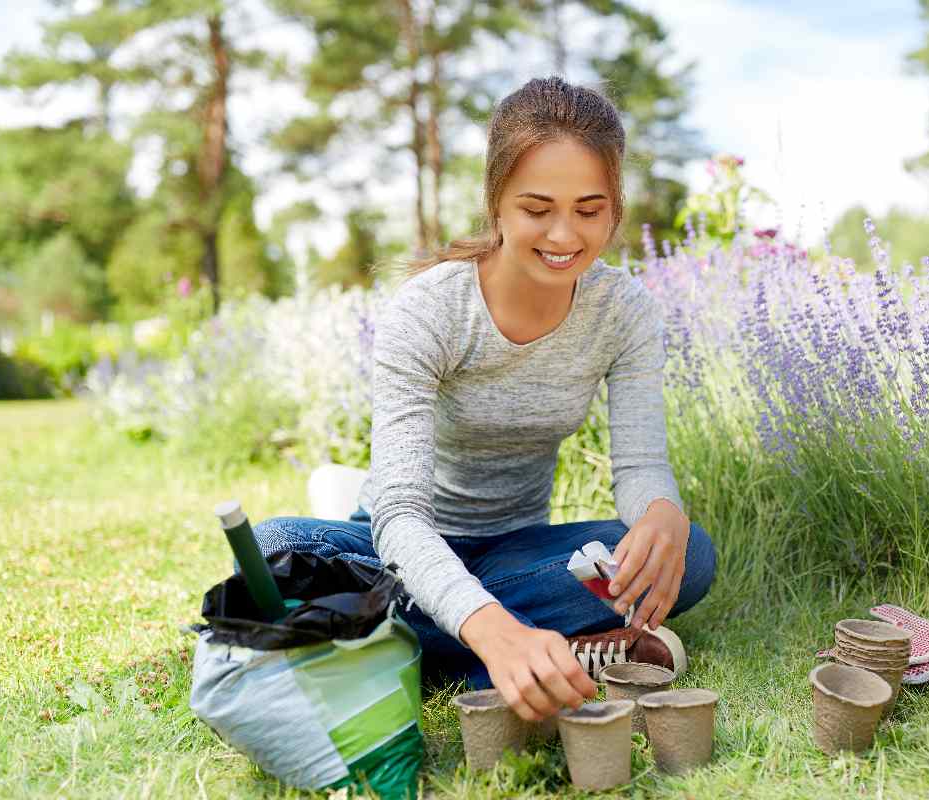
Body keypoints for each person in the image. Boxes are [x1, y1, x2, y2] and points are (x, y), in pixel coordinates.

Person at [253, 75, 717, 723]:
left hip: (519, 550)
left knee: (690, 554)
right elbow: (401, 516)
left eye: (589, 210)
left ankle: (401, 648)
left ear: (615, 207)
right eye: (536, 208)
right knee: (271, 553)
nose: (563, 236)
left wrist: (661, 512)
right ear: (496, 203)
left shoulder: (625, 312)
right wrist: (490, 625)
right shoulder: (430, 311)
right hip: (402, 543)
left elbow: (639, 467)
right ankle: (524, 650)